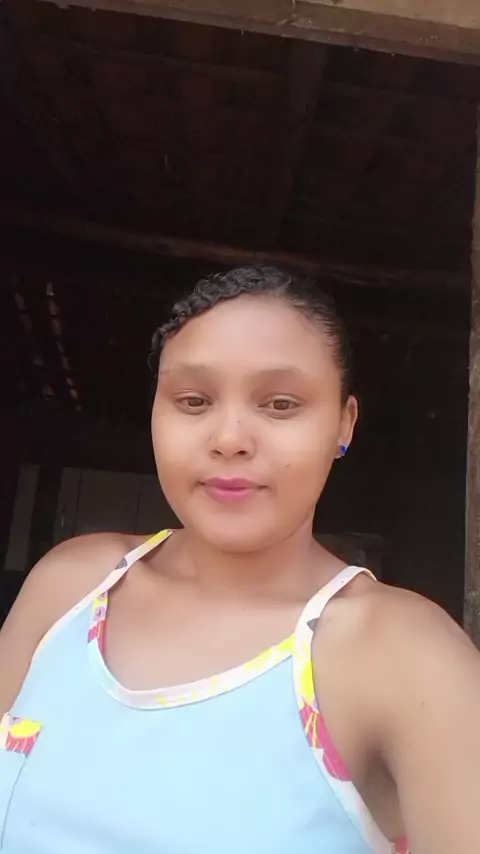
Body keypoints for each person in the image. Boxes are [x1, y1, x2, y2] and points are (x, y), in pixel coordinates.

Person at [0, 265, 479, 854]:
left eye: (280, 404)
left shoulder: (402, 653)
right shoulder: (71, 586)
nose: (229, 439)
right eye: (193, 401)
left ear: (343, 424)